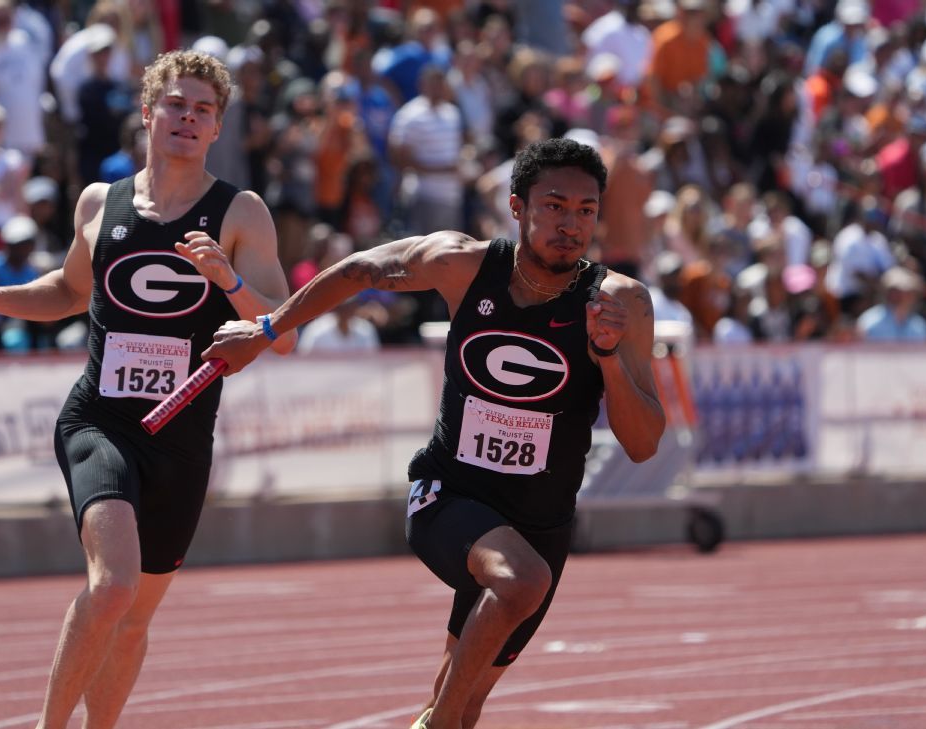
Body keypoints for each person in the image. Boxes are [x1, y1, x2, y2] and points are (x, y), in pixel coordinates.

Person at [202, 138, 665, 729]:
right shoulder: (463, 264)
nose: (570, 224)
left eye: (585, 210)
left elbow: (645, 441)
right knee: (520, 587)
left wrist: (607, 359)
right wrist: (265, 329)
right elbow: (361, 270)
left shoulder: (620, 302)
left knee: (466, 701)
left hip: (540, 523)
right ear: (517, 207)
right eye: (554, 206)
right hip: (450, 494)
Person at [0, 49, 296, 728]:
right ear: (147, 113)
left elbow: (282, 331)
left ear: (218, 128)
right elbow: (70, 291)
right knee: (112, 588)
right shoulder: (99, 203)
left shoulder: (240, 212)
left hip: (182, 438)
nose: (187, 120)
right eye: (176, 105)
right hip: (99, 421)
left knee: (133, 621)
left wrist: (228, 281)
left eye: (203, 111)